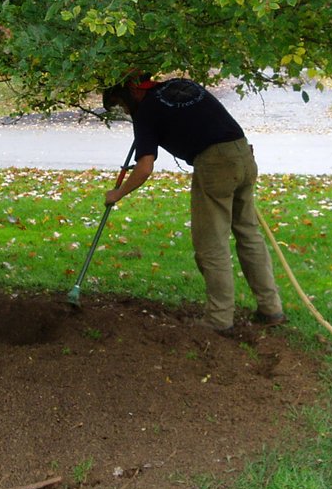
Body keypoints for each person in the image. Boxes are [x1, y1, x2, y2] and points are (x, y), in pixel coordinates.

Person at [102, 74, 287, 337]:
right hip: (243, 154)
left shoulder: (146, 111)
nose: (125, 110)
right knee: (249, 234)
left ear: (131, 90)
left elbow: (144, 168)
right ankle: (271, 309)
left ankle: (219, 319)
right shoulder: (181, 84)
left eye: (121, 104)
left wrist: (118, 193)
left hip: (215, 163)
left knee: (211, 244)